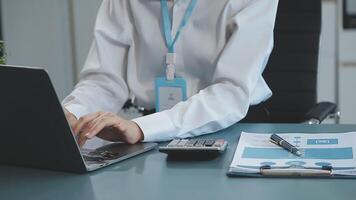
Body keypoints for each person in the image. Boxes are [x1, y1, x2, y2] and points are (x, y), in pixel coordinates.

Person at [63, 0, 279, 147]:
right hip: (147, 135)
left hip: (231, 130)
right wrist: (72, 114)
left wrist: (142, 129)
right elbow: (105, 80)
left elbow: (231, 93)